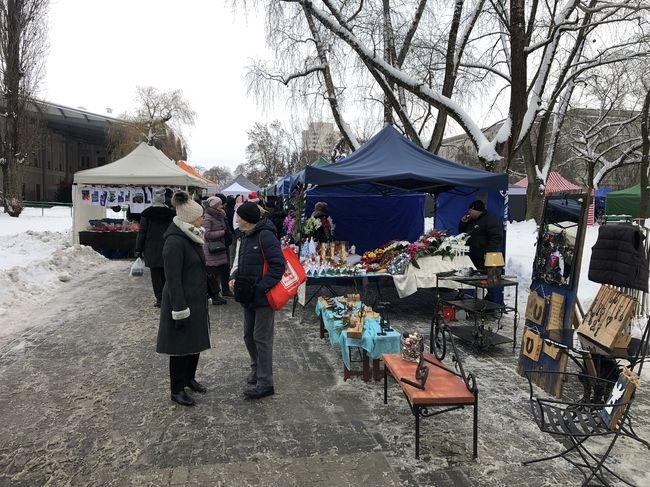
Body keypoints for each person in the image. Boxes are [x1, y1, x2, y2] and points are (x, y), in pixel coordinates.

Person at [157, 191, 211, 407]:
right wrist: (179, 309)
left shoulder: (191, 236)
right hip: (181, 302)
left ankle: (189, 378)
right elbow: (172, 279)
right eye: (200, 216)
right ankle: (176, 389)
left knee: (194, 343)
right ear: (189, 219)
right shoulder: (175, 242)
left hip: (195, 300)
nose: (203, 219)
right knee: (180, 348)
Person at [228, 201, 285, 400]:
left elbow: (279, 266)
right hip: (247, 297)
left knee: (262, 339)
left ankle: (265, 383)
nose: (235, 219)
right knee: (248, 336)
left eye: (238, 216)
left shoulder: (265, 235)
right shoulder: (245, 236)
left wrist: (260, 288)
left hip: (262, 298)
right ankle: (256, 370)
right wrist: (234, 276)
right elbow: (241, 262)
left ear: (245, 219)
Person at [135, 188, 175, 307]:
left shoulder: (146, 213)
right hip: (168, 246)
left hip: (151, 248)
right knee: (168, 273)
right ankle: (168, 296)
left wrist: (138, 249)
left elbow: (142, 232)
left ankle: (160, 299)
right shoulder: (171, 213)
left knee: (155, 275)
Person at [458, 199, 504, 301]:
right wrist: (463, 223)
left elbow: (497, 237)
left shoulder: (490, 220)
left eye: (471, 210)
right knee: (475, 281)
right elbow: (463, 233)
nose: (469, 212)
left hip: (485, 257)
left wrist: (489, 252)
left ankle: (489, 305)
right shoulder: (471, 220)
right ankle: (476, 302)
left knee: (488, 281)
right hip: (472, 255)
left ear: (478, 210)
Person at [203, 195, 229, 305]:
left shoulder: (221, 215)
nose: (222, 206)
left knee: (219, 273)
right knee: (213, 275)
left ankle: (217, 295)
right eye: (220, 204)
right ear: (215, 206)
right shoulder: (208, 217)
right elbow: (207, 234)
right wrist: (223, 233)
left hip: (219, 248)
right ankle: (213, 296)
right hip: (212, 249)